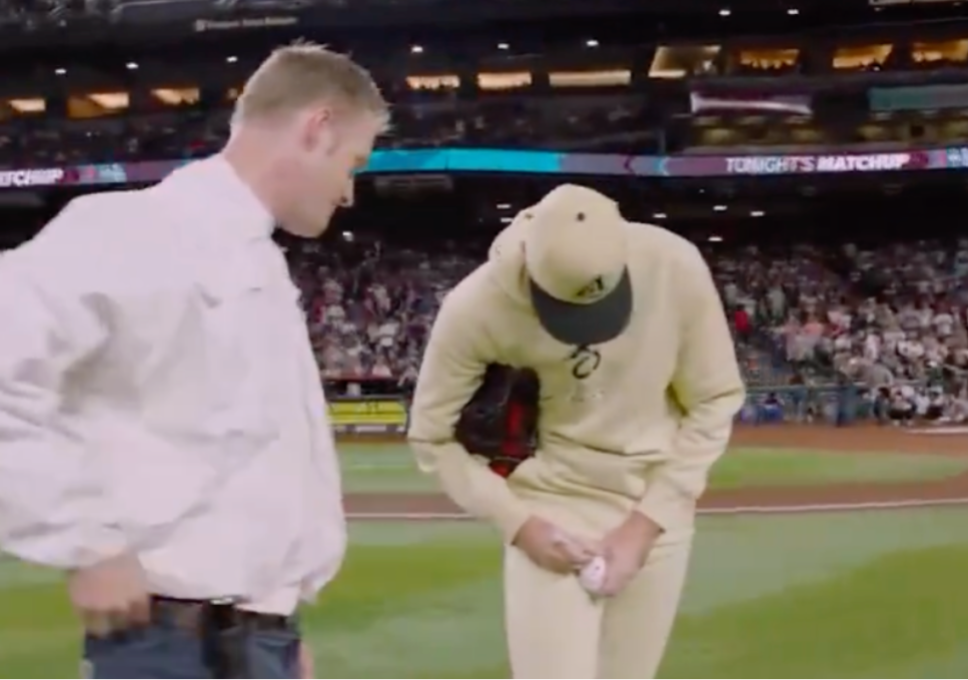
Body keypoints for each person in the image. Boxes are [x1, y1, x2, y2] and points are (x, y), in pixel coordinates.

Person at [0, 42, 388, 680]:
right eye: (354, 162)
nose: (349, 192)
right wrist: (89, 543)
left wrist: (277, 622)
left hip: (252, 640)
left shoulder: (258, 260)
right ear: (316, 129)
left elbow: (253, 461)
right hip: (173, 642)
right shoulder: (129, 229)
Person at [408, 184, 746, 680]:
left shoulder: (673, 265)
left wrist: (647, 522)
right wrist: (519, 524)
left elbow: (714, 398)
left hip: (655, 509)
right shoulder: (476, 306)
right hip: (550, 508)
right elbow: (430, 436)